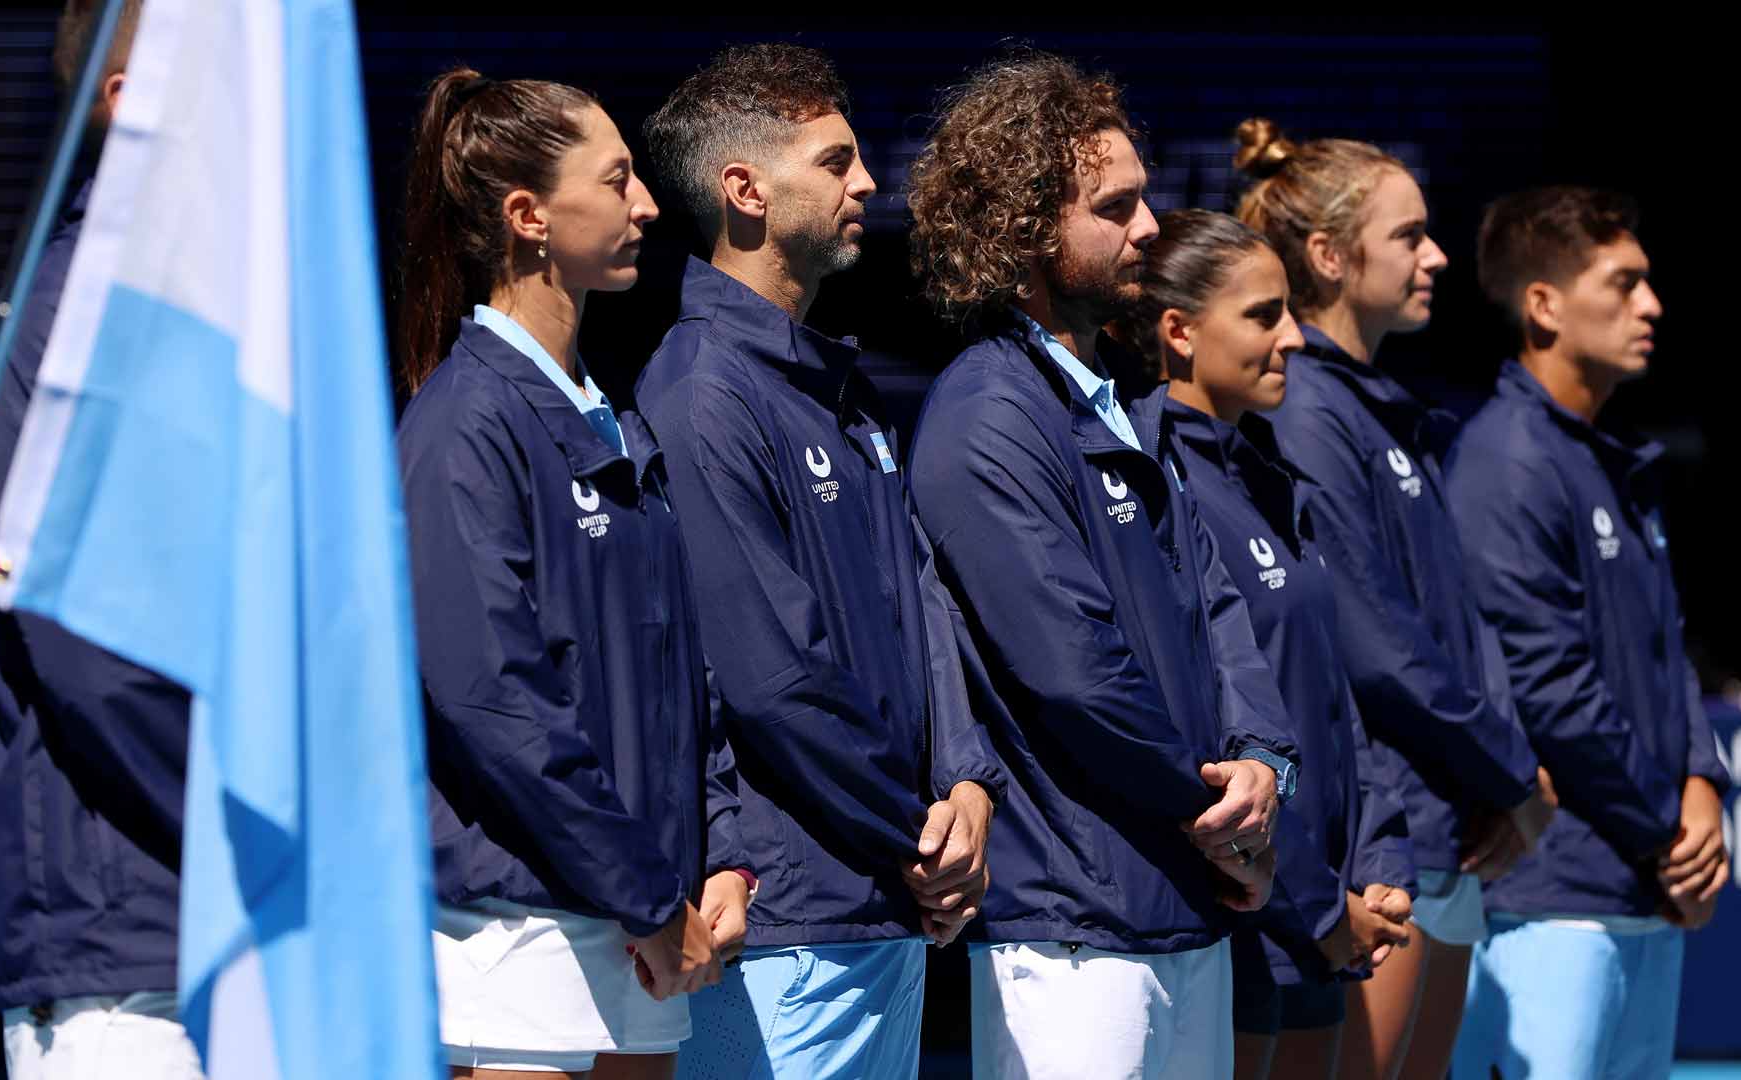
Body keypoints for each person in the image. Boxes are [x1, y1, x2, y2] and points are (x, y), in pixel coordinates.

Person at [906, 53, 1300, 1080]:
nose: (1149, 228)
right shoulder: (985, 414)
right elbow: (1073, 671)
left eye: (1143, 200)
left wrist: (1265, 763)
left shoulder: (1113, 401)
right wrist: (1219, 817)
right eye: (1115, 208)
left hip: (1184, 902)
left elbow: (1218, 609)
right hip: (1073, 930)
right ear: (1030, 230)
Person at [637, 43, 1005, 1080]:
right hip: (792, 924)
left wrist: (968, 783)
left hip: (886, 897)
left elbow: (925, 602)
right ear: (745, 190)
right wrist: (921, 834)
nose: (868, 183)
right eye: (837, 162)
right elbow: (770, 678)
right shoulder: (700, 392)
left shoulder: (839, 386)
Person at [396, 67, 732, 1080]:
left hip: (641, 924)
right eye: (617, 178)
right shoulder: (463, 423)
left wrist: (719, 856)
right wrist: (647, 891)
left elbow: (680, 673)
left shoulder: (611, 416)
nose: (647, 204)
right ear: (527, 216)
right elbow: (494, 701)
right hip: (519, 931)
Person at [1231, 118, 1557, 1080]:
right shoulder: (1305, 411)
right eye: (1410, 236)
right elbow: (1374, 646)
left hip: (1442, 822)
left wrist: (1501, 773)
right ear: (1330, 257)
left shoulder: (1374, 409)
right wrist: (1511, 773)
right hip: (1386, 836)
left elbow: (1455, 623)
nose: (1437, 256)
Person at [0, 3, 206, 1076]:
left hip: (234, 933)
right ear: (131, 101)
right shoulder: (72, 324)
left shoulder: (201, 327)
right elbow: (91, 645)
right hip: (132, 955)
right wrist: (272, 825)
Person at [1122, 209, 1418, 1080]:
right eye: (1262, 316)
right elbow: (1210, 744)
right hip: (1258, 926)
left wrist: (1379, 857)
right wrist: (1318, 908)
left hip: (1324, 913)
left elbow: (1333, 695)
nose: (1292, 336)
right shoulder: (1156, 484)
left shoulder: (1267, 474)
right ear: (1178, 332)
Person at [1447, 186, 1730, 1080]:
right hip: (1549, 903)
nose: (1652, 305)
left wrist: (1703, 781)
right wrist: (1669, 830)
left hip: (1638, 888)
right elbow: (1547, 686)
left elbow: (1666, 650)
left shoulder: (1607, 460)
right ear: (1544, 305)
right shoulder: (1506, 459)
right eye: (1623, 283)